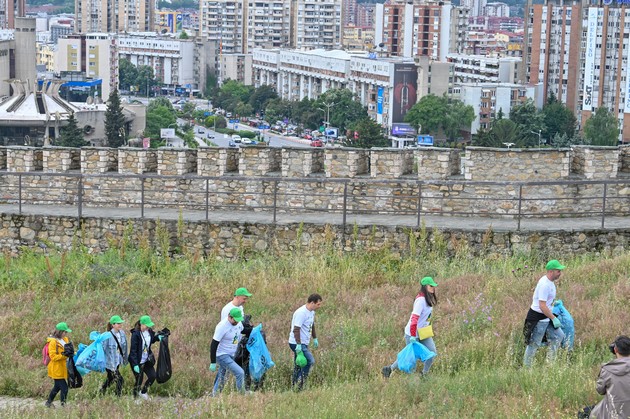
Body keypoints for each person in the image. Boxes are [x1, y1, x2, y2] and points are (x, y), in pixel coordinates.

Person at [382, 277, 438, 378]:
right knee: (410, 358)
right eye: (431, 286)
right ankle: (390, 370)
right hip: (412, 333)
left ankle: (424, 374)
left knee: (432, 352)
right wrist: (413, 336)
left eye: (434, 286)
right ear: (425, 287)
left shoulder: (428, 298)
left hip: (423, 332)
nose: (433, 288)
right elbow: (414, 319)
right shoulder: (420, 300)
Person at [523, 260, 566, 367]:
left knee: (559, 336)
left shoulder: (550, 282)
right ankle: (527, 368)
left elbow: (545, 302)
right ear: (551, 271)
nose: (560, 272)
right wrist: (553, 318)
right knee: (534, 344)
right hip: (538, 319)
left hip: (546, 316)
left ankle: (549, 364)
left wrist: (553, 304)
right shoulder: (544, 284)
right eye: (558, 271)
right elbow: (542, 306)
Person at [587, 336, 630, 419]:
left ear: (615, 350)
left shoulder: (607, 370)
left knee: (586, 412)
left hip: (614, 412)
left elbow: (600, 390)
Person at [288, 293, 323, 391]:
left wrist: (314, 338)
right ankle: (300, 383)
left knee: (298, 365)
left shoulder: (311, 312)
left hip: (304, 342)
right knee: (310, 361)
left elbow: (311, 325)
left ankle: (294, 387)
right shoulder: (301, 313)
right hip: (296, 343)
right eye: (318, 304)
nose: (319, 306)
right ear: (312, 303)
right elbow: (296, 329)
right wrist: (298, 345)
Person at [210, 307, 245, 396]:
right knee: (240, 373)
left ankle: (215, 395)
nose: (236, 322)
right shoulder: (222, 326)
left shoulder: (238, 322)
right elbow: (214, 344)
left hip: (231, 354)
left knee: (222, 376)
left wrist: (253, 330)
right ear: (229, 317)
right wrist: (213, 362)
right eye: (235, 320)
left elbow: (242, 330)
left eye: (238, 320)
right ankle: (242, 395)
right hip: (222, 355)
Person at [128, 315, 164, 400]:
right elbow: (133, 351)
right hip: (137, 361)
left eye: (149, 325)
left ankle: (143, 392)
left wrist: (158, 338)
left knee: (152, 376)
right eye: (147, 325)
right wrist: (135, 364)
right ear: (141, 324)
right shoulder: (135, 334)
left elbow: (152, 339)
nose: (148, 327)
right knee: (139, 380)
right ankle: (135, 398)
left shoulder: (149, 331)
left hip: (146, 360)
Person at [45, 322, 74, 407]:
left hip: (63, 367)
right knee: (64, 388)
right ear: (60, 332)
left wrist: (72, 353)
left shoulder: (65, 340)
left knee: (57, 387)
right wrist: (64, 355)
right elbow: (53, 357)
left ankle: (48, 403)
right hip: (56, 368)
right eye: (65, 332)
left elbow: (68, 350)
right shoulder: (53, 342)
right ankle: (63, 405)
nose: (66, 334)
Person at [101, 315, 128, 396]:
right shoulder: (107, 335)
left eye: (120, 323)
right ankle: (117, 396)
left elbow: (125, 347)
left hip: (117, 361)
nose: (120, 325)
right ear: (112, 325)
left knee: (111, 379)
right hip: (109, 362)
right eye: (118, 323)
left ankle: (102, 391)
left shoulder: (122, 333)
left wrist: (125, 359)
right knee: (120, 380)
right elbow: (102, 349)